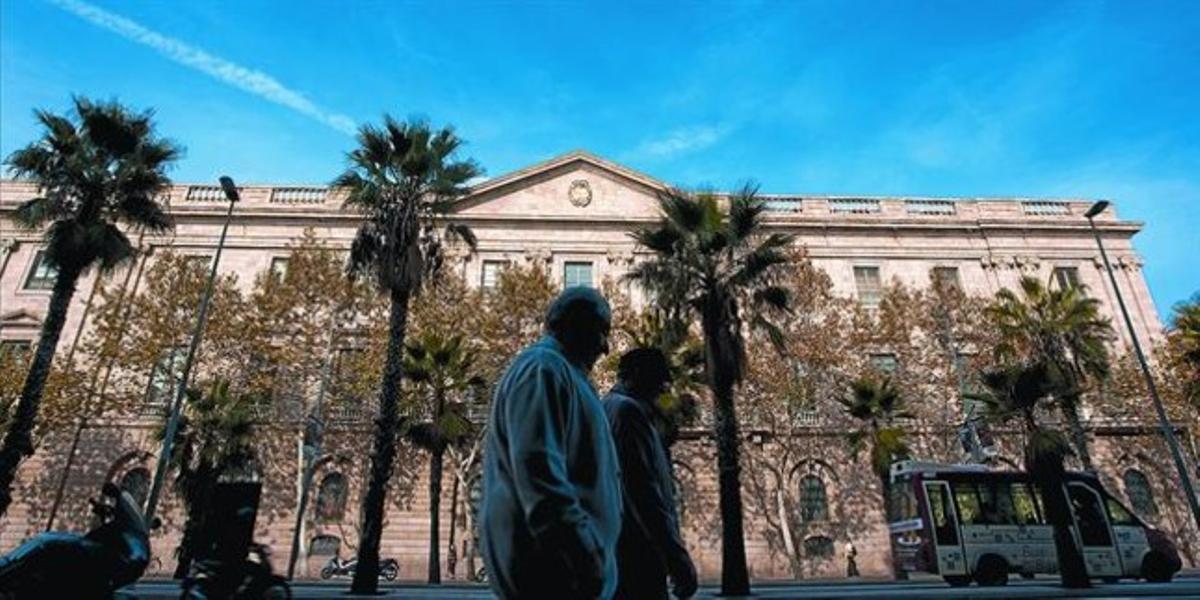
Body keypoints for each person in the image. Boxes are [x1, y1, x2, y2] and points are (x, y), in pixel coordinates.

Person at [480, 287, 623, 599]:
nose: (606, 347)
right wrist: (583, 552)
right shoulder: (544, 368)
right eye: (602, 332)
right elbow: (539, 472)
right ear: (576, 325)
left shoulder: (562, 373)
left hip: (567, 573)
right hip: (555, 575)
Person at [603, 348, 698, 600]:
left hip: (622, 552)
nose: (663, 388)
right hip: (638, 553)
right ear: (636, 375)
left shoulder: (610, 407)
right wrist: (675, 557)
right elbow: (642, 490)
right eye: (659, 379)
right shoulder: (627, 412)